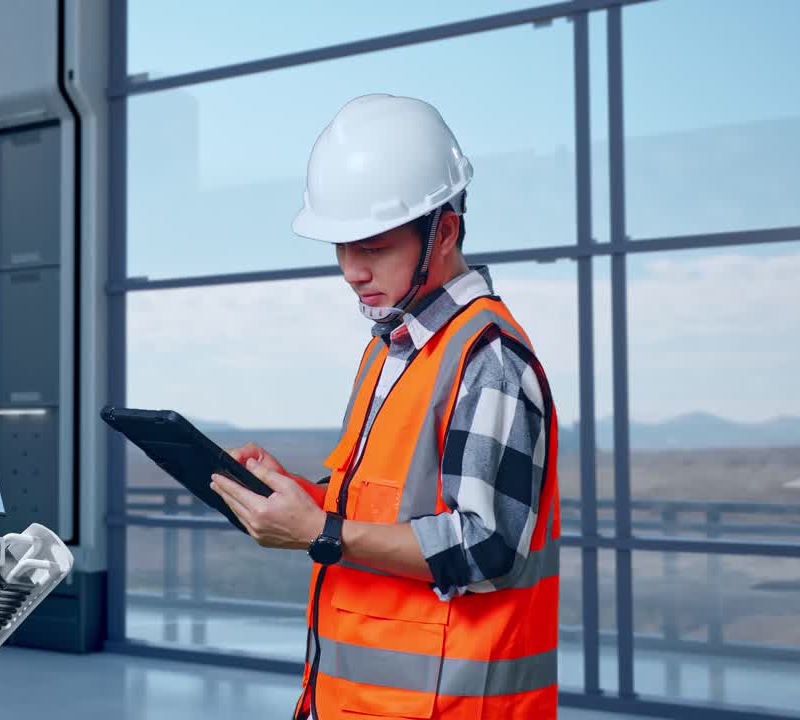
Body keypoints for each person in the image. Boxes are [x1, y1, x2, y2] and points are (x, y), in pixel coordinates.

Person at [210, 94, 561, 719]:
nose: (350, 270)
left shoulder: (490, 361)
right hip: (353, 703)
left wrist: (321, 533)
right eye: (341, 248)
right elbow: (383, 507)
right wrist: (292, 494)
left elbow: (488, 549)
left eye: (372, 247)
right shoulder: (392, 349)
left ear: (444, 232)